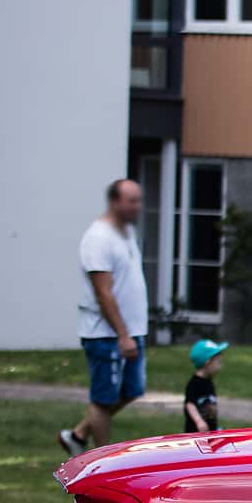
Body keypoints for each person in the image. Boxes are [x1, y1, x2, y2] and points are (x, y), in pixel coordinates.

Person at [58, 179, 149, 456]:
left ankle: (78, 435)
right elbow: (103, 293)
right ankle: (103, 461)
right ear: (114, 201)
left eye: (139, 200)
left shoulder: (126, 233)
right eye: (131, 201)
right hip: (106, 334)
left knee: (133, 390)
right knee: (102, 399)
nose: (137, 207)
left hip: (131, 330)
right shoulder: (98, 238)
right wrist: (122, 334)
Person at [183, 339, 227, 434]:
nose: (220, 365)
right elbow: (190, 404)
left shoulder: (208, 381)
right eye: (218, 362)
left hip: (209, 432)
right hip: (195, 433)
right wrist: (199, 421)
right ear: (208, 362)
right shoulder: (194, 383)